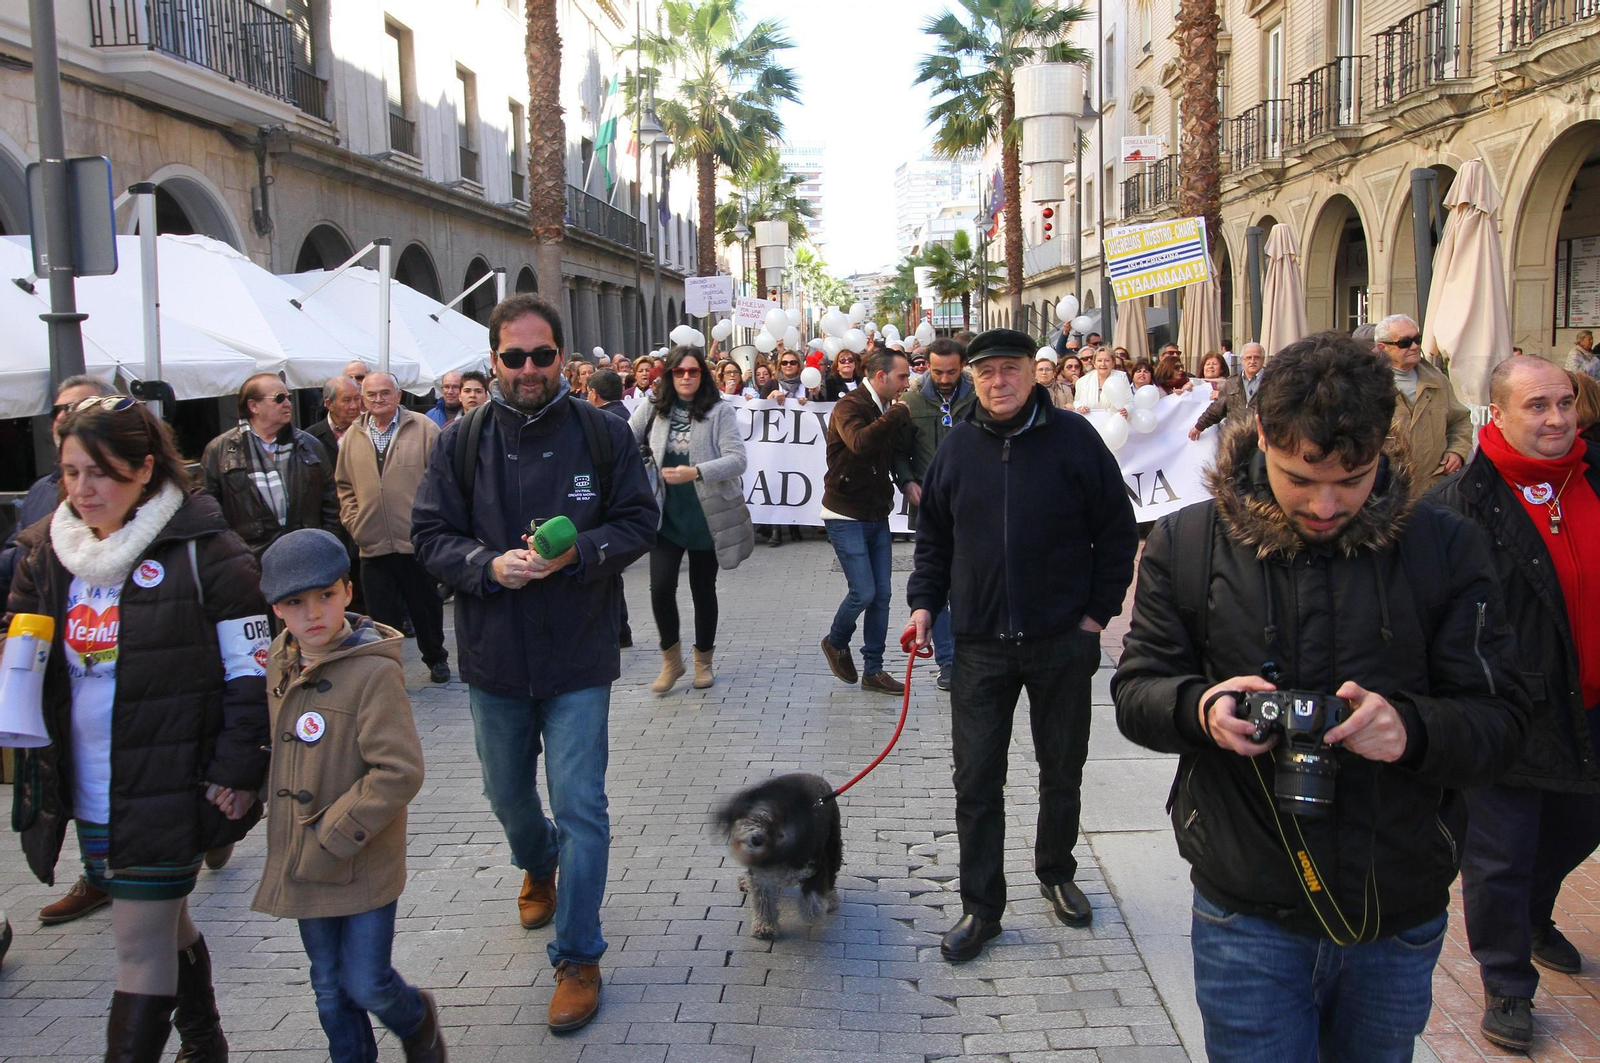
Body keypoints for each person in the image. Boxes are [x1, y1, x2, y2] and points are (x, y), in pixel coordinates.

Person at [1112, 331, 1530, 1063]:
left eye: (1353, 478)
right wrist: (1202, 709)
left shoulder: (1446, 546)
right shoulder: (1188, 543)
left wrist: (1411, 730)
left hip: (1395, 903)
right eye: (1301, 478)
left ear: (1384, 444)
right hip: (1246, 905)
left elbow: (1504, 721)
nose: (1327, 504)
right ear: (1262, 433)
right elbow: (1136, 691)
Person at [411, 294, 656, 1034]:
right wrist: (487, 564)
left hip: (578, 652)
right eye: (513, 357)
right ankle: (537, 859)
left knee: (582, 805)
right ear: (493, 360)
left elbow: (638, 520)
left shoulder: (602, 433)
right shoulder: (459, 442)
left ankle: (579, 956)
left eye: (541, 355)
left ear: (562, 358)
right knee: (509, 797)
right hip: (494, 654)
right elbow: (430, 535)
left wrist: (579, 553)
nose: (527, 368)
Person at [6, 396, 271, 1063]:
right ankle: (205, 1041)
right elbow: (26, 651)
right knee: (163, 921)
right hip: (88, 786)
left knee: (138, 943)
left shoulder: (208, 551)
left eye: (101, 472)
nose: (82, 489)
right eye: (70, 472)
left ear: (145, 467)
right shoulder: (47, 551)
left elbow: (252, 676)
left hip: (173, 781)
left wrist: (239, 768)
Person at [906, 328, 1138, 962]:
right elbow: (934, 540)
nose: (998, 382)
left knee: (1062, 767)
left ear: (1034, 374)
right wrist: (924, 603)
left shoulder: (1076, 439)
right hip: (979, 645)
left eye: (1010, 369)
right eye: (986, 373)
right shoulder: (957, 447)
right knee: (976, 780)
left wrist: (1095, 615)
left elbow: (1117, 532)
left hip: (1062, 639)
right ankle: (982, 907)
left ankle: (1056, 870)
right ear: (972, 380)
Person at [1426, 358, 1600, 1052]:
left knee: (1580, 824)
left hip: (1591, 702)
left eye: (1565, 402)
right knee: (1500, 853)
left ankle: (1532, 914)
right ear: (1496, 412)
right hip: (1507, 710)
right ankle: (1506, 984)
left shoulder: (1593, 478)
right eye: (1537, 406)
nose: (1557, 418)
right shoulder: (1457, 505)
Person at [249, 529, 443, 1063]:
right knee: (329, 986)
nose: (313, 613)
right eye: (295, 602)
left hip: (359, 855)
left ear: (348, 591)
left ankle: (416, 1017)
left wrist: (335, 832)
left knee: (367, 981)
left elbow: (399, 770)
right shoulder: (280, 660)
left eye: (326, 595)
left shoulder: (373, 670)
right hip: (306, 857)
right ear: (276, 609)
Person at [0, 375, 118, 928]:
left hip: (145, 720)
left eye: (80, 407)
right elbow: (19, 565)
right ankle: (97, 875)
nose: (65, 418)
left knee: (151, 916)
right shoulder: (43, 494)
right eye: (58, 410)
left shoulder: (171, 520)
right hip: (71, 689)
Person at [631, 346, 754, 693]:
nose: (686, 377)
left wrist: (696, 471)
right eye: (679, 371)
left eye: (693, 371)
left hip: (706, 517)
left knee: (703, 590)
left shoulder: (719, 411)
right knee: (660, 588)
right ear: (669, 375)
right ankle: (672, 661)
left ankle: (703, 661)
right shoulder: (653, 407)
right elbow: (624, 440)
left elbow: (737, 459)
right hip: (665, 515)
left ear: (703, 375)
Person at [334, 372, 449, 684]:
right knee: (381, 615)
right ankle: (388, 669)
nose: (378, 399)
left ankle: (436, 658)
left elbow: (441, 478)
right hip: (372, 543)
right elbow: (344, 485)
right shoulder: (353, 436)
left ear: (398, 395)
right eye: (371, 395)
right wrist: (355, 522)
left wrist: (430, 523)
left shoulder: (423, 428)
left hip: (415, 541)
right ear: (363, 399)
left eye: (385, 393)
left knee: (426, 607)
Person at [819, 350, 913, 695]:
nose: (906, 384)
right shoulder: (850, 405)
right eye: (902, 377)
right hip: (845, 513)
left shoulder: (886, 406)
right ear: (880, 376)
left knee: (882, 595)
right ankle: (836, 640)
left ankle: (874, 670)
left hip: (876, 512)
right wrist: (898, 414)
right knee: (864, 592)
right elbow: (859, 443)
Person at [892, 337, 975, 692]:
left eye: (951, 372)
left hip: (973, 504)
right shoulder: (911, 403)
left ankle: (971, 655)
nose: (944, 378)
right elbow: (898, 452)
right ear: (927, 365)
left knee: (968, 582)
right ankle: (948, 661)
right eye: (938, 371)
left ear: (962, 367)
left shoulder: (977, 399)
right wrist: (907, 481)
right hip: (930, 506)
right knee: (937, 580)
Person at [201, 373, 340, 560]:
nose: (288, 404)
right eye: (279, 398)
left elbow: (331, 504)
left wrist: (328, 549)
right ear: (253, 406)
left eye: (289, 398)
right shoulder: (220, 450)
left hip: (306, 556)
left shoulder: (310, 445)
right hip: (250, 560)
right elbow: (209, 514)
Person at [1376, 313, 1472, 496]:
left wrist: (1457, 451)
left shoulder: (1437, 380)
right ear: (1383, 348)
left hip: (1434, 488)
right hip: (1387, 491)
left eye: (1417, 339)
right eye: (1404, 342)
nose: (1414, 347)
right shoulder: (1369, 384)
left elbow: (1460, 420)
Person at [1189, 342, 1265, 440]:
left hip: (1263, 438)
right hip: (1236, 438)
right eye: (1248, 358)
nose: (1252, 361)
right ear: (1242, 360)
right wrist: (1199, 426)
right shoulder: (1231, 383)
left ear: (1263, 359)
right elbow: (1217, 408)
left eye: (1257, 357)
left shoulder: (1272, 382)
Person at [307, 376, 363, 468]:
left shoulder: (370, 430)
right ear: (329, 404)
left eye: (357, 399)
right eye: (347, 400)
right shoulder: (311, 437)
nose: (354, 406)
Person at [1075, 348, 1131, 415]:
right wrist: (1080, 407)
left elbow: (1129, 401)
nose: (1103, 364)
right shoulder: (1082, 381)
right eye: (1099, 361)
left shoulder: (1121, 377)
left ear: (1113, 363)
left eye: (1107, 361)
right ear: (1094, 363)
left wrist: (1126, 410)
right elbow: (1077, 402)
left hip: (1114, 418)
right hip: (1089, 419)